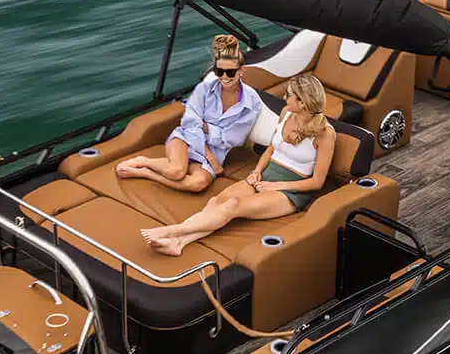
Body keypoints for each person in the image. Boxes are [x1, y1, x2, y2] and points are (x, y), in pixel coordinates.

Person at [140, 74, 337, 258]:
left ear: (302, 102)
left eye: (289, 95)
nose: (285, 98)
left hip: (291, 192)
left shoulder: (325, 134)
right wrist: (256, 172)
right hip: (265, 175)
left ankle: (171, 231)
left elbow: (317, 182)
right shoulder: (286, 113)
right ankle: (180, 243)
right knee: (217, 201)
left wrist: (277, 186)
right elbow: (270, 149)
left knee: (233, 205)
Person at [116, 33, 263, 194]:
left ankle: (146, 172)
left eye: (230, 72)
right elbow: (190, 125)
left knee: (198, 183)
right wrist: (210, 155)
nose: (224, 77)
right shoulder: (204, 90)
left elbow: (233, 138)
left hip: (215, 153)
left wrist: (205, 127)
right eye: (219, 71)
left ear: (241, 70)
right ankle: (145, 162)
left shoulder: (251, 102)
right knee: (176, 172)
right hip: (186, 140)